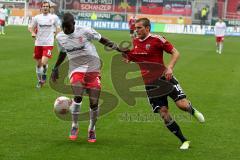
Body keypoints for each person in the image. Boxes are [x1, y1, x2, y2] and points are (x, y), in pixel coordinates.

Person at [121, 18, 205, 150]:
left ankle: (192, 110)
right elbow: (138, 56)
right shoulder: (136, 41)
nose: (136, 30)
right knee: (164, 114)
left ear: (147, 28)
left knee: (182, 105)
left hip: (165, 78)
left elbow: (175, 53)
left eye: (139, 28)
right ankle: (184, 140)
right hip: (150, 84)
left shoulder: (158, 39)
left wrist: (170, 67)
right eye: (135, 28)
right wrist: (128, 57)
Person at [51, 13, 122, 142]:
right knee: (78, 95)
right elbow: (62, 52)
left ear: (73, 23)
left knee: (94, 103)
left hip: (92, 69)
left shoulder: (85, 31)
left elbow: (103, 40)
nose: (65, 30)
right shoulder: (60, 37)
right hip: (76, 69)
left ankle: (92, 129)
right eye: (63, 27)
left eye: (67, 27)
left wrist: (119, 49)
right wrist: (55, 68)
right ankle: (74, 125)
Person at [28, 1, 61, 88]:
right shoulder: (37, 18)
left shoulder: (54, 17)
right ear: (41, 8)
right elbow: (31, 27)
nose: (45, 8)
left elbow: (58, 27)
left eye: (47, 6)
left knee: (43, 62)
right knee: (39, 64)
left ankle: (44, 76)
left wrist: (56, 35)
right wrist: (32, 33)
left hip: (48, 43)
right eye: (44, 6)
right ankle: (40, 81)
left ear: (49, 8)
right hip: (38, 43)